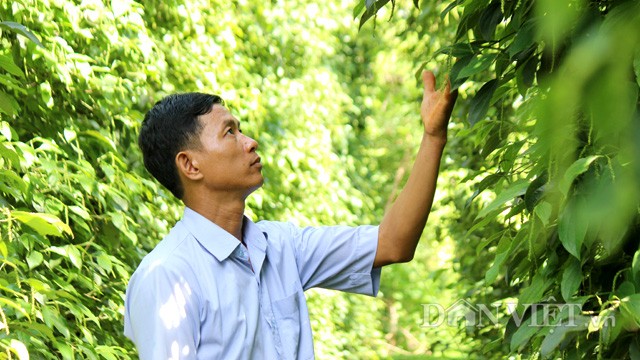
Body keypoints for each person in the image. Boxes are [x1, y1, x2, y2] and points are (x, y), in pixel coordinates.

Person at [124, 70, 457, 359]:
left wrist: (433, 137)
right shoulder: (167, 276)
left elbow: (393, 243)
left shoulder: (281, 246)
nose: (250, 142)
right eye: (230, 132)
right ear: (190, 164)